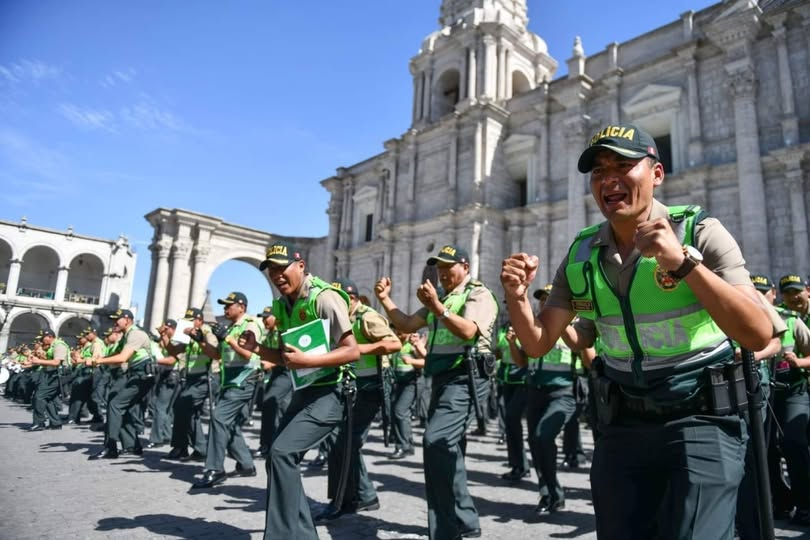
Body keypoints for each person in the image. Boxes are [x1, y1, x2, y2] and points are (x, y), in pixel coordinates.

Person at [501, 123, 773, 539]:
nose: (608, 178)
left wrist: (683, 264)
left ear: (657, 174)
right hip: (622, 425)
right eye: (598, 171)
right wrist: (517, 298)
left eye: (623, 165)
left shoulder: (701, 231)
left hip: (699, 417)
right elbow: (538, 343)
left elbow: (757, 333)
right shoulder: (580, 253)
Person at [375, 243, 498, 540]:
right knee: (450, 450)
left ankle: (445, 530)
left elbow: (468, 331)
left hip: (465, 378)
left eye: (448, 267)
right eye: (439, 268)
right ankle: (466, 520)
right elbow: (405, 323)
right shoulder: (441, 300)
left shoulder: (477, 294)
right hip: (441, 380)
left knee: (436, 442)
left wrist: (437, 308)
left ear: (465, 267)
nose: (442, 273)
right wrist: (385, 299)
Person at [257, 241, 359, 539]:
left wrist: (308, 360)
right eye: (271, 270)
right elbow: (287, 359)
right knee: (278, 458)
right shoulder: (282, 304)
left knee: (280, 453)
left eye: (282, 268)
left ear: (300, 266)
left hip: (331, 393)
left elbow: (352, 351)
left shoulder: (324, 298)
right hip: (303, 392)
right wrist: (255, 348)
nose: (276, 276)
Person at [315, 277, 400, 522]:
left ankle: (345, 500)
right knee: (339, 440)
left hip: (369, 388)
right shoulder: (335, 321)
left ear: (352, 299)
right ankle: (364, 494)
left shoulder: (367, 317)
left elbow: (393, 343)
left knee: (345, 441)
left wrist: (359, 349)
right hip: (346, 387)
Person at [190, 292, 261, 488]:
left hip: (244, 378)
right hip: (229, 379)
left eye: (229, 305)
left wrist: (228, 338)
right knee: (228, 424)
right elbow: (216, 355)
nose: (225, 308)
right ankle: (246, 465)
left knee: (219, 418)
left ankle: (215, 469)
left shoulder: (250, 325)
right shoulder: (230, 328)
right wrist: (200, 341)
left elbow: (248, 354)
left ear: (242, 307)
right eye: (224, 305)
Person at [90, 309, 156, 459]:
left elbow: (122, 358)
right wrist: (86, 360)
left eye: (117, 319)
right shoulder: (126, 335)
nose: (115, 322)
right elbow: (113, 355)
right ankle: (132, 446)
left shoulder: (136, 334)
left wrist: (98, 360)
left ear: (127, 320)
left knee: (115, 405)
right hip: (135, 375)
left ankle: (110, 447)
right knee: (121, 408)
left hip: (142, 376)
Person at [163, 307, 217, 461]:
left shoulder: (207, 332)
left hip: (207, 377)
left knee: (182, 406)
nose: (187, 323)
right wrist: (165, 336)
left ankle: (190, 447)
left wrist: (199, 338)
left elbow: (213, 351)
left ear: (199, 321)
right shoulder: (187, 335)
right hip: (192, 378)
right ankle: (188, 448)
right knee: (184, 410)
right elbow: (174, 351)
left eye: (191, 319)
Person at [252, 306, 292, 459]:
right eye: (262, 318)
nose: (264, 320)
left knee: (269, 402)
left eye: (266, 317)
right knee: (280, 407)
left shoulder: (282, 332)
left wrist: (271, 363)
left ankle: (267, 444)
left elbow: (287, 354)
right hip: (275, 373)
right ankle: (275, 444)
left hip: (285, 371)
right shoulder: (268, 334)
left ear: (275, 318)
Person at [494, 322, 529, 483]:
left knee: (513, 419)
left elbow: (525, 357)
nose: (509, 307)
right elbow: (500, 353)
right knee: (509, 422)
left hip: (521, 379)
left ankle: (522, 465)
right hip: (505, 377)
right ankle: (516, 465)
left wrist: (513, 342)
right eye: (507, 304)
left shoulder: (525, 325)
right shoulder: (503, 328)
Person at [388, 330, 423, 459]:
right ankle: (405, 445)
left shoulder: (412, 345)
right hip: (398, 383)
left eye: (400, 332)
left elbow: (425, 361)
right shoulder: (397, 345)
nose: (398, 334)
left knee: (400, 412)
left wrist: (411, 360)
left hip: (411, 382)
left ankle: (404, 446)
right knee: (396, 413)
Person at [146, 320, 180, 449]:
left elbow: (172, 359)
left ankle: (157, 438)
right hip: (166, 374)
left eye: (165, 330)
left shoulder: (176, 341)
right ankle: (166, 435)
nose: (163, 333)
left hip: (171, 375)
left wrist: (157, 361)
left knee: (159, 407)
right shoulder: (168, 341)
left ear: (172, 329)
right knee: (165, 408)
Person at [26, 329, 67, 430]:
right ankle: (55, 422)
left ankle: (39, 422)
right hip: (51, 374)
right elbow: (49, 361)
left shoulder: (59, 345)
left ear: (49, 336)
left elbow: (56, 362)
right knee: (49, 398)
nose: (42, 341)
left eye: (43, 338)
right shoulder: (52, 346)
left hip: (57, 375)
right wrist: (36, 360)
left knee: (39, 396)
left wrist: (39, 360)